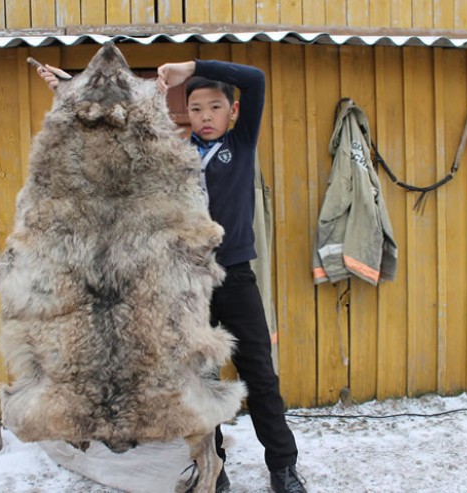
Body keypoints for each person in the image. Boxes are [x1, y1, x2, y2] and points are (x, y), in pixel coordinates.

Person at [36, 57, 306, 493]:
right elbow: (113, 129)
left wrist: (191, 67)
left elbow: (254, 79)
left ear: (232, 112)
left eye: (215, 107)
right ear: (187, 114)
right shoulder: (172, 154)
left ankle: (283, 467)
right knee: (200, 382)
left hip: (235, 279)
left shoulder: (242, 144)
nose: (205, 116)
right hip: (185, 284)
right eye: (196, 108)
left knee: (260, 376)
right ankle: (213, 469)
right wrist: (70, 88)